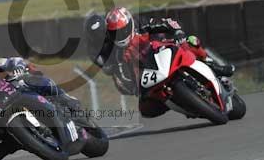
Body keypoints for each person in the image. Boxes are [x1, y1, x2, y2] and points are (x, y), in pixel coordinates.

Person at [84, 7, 234, 117]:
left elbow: (168, 22)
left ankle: (213, 65)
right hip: (146, 71)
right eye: (114, 33)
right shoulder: (112, 53)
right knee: (145, 110)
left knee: (191, 41)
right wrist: (132, 87)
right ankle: (183, 103)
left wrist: (177, 33)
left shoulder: (140, 23)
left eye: (122, 30)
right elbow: (121, 78)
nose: (120, 35)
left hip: (159, 48)